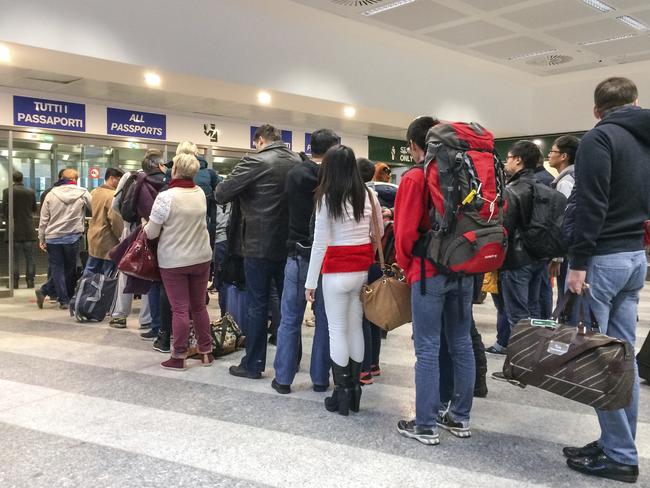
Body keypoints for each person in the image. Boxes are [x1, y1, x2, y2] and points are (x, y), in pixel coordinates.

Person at [563, 77, 649, 484]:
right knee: (621, 357)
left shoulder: (600, 139)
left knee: (600, 361)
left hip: (602, 259)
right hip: (634, 256)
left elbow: (591, 203)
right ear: (635, 102)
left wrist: (577, 263)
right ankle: (618, 441)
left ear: (597, 110)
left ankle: (620, 455)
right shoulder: (645, 138)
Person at [394, 117, 475, 445]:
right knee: (461, 342)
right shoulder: (467, 172)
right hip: (464, 268)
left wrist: (406, 265)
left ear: (414, 146)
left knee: (427, 347)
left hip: (428, 272)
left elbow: (403, 233)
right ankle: (459, 417)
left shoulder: (415, 177)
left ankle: (425, 424)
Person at [215, 124, 300, 379]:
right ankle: (290, 360)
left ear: (260, 140)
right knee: (288, 306)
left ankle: (253, 364)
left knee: (257, 305)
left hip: (257, 245)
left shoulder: (255, 161)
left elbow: (221, 193)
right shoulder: (297, 160)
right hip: (289, 245)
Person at [305, 144, 382, 416]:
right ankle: (356, 392)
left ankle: (342, 394)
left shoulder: (327, 197)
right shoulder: (369, 195)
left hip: (335, 271)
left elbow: (319, 243)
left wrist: (310, 282)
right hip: (361, 270)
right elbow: (379, 232)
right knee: (355, 328)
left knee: (337, 330)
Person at [271, 129, 337, 395]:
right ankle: (320, 379)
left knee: (289, 319)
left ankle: (284, 378)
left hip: (297, 254)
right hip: (327, 260)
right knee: (323, 319)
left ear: (311, 148)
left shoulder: (296, 174)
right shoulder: (335, 179)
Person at [143, 153, 213, 370]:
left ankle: (179, 356)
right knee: (199, 307)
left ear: (175, 171)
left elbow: (152, 233)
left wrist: (145, 224)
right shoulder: (200, 192)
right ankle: (206, 352)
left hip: (174, 260)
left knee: (180, 310)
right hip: (201, 257)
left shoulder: (166, 197)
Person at [486, 141, 546, 356]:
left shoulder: (513, 189)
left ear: (518, 160)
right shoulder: (541, 185)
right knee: (533, 307)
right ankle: (535, 357)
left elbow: (505, 227)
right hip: (538, 256)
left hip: (516, 259)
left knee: (516, 314)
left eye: (509, 158)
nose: (506, 162)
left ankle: (521, 361)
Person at [36, 168, 92, 308]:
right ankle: (59, 297)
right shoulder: (83, 193)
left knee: (57, 268)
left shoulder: (51, 194)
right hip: (72, 237)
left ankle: (51, 293)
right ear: (76, 179)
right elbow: (94, 209)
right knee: (69, 269)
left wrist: (41, 238)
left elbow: (44, 219)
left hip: (52, 237)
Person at [356, 157, 384, 385]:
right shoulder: (372, 196)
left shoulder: (353, 195)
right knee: (374, 315)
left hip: (359, 264)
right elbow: (379, 233)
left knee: (362, 317)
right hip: (373, 262)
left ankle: (363, 369)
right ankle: (373, 363)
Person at [547, 135, 579, 308]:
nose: (549, 154)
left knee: (566, 300)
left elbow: (564, 220)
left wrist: (557, 257)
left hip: (567, 252)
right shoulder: (577, 175)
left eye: (552, 151)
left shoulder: (566, 182)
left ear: (564, 156)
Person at [84, 167, 124, 276]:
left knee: (90, 271)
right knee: (108, 276)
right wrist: (122, 237)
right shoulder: (112, 196)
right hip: (108, 240)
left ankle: (84, 292)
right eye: (120, 180)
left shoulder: (94, 192)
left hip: (94, 238)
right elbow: (115, 220)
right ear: (112, 178)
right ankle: (103, 294)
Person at [2, 171, 37, 288]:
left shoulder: (7, 192)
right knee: (30, 258)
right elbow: (34, 208)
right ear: (22, 179)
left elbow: (4, 210)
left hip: (14, 229)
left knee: (14, 258)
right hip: (28, 229)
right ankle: (30, 281)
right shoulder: (31, 192)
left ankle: (15, 283)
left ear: (13, 179)